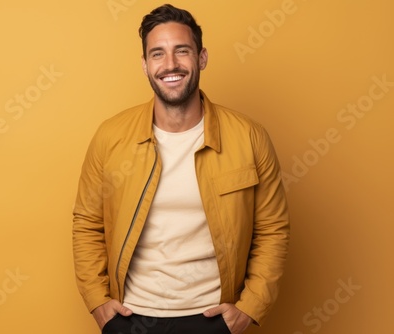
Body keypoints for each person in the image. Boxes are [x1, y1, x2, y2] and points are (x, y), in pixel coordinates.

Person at [72, 4, 290, 334]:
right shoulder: (111, 136)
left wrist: (249, 308)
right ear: (145, 65)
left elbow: (273, 229)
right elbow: (87, 221)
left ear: (201, 58)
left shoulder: (249, 137)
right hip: (131, 318)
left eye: (182, 51)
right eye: (157, 54)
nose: (170, 64)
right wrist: (98, 303)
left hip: (214, 319)